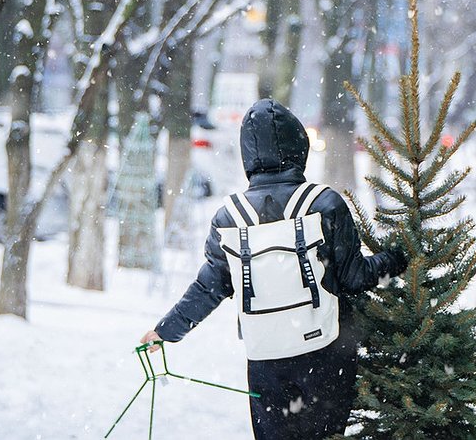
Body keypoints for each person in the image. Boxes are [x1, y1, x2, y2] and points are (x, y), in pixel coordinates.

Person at [139, 99, 407, 440]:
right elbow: (356, 278)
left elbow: (209, 288)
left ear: (247, 154)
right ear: (299, 146)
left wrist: (165, 331)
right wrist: (401, 257)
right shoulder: (324, 204)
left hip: (266, 360)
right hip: (325, 354)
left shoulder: (229, 218)